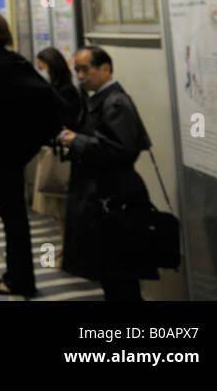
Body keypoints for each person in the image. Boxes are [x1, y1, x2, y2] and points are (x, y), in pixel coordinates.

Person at [0, 12, 63, 298]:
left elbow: (51, 105)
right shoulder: (14, 63)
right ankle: (15, 273)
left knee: (14, 221)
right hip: (9, 156)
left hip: (2, 159)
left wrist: (23, 145)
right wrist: (27, 144)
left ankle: (22, 282)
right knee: (13, 220)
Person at [57, 46, 157, 301]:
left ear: (105, 69)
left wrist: (76, 140)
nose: (80, 75)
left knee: (119, 276)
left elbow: (120, 150)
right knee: (111, 274)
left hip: (115, 201)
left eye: (85, 69)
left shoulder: (115, 102)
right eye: (76, 70)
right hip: (104, 197)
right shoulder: (100, 101)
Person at [29, 48, 81, 229]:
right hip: (54, 149)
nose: (42, 73)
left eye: (43, 68)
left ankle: (66, 249)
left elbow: (66, 120)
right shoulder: (57, 88)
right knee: (59, 211)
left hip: (63, 152)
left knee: (63, 207)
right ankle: (64, 246)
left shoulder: (66, 91)